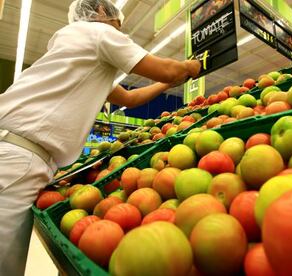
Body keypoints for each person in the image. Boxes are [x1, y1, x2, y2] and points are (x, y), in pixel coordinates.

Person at [0, 0, 201, 274]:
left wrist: (167, 84)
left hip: (15, 152)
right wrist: (190, 67)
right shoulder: (99, 34)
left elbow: (129, 98)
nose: (121, 25)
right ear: (103, 13)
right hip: (17, 157)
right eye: (118, 18)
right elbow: (169, 69)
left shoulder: (78, 52)